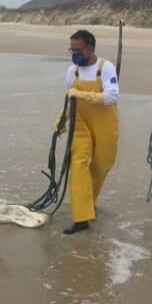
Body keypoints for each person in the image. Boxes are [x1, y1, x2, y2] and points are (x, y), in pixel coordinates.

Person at [57, 29, 119, 234]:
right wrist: (62, 119)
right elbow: (70, 99)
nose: (74, 54)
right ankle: (81, 218)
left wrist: (84, 95)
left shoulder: (105, 68)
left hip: (104, 124)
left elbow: (112, 97)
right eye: (71, 50)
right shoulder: (72, 71)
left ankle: (88, 203)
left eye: (78, 50)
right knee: (78, 166)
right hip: (80, 124)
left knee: (100, 167)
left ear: (90, 48)